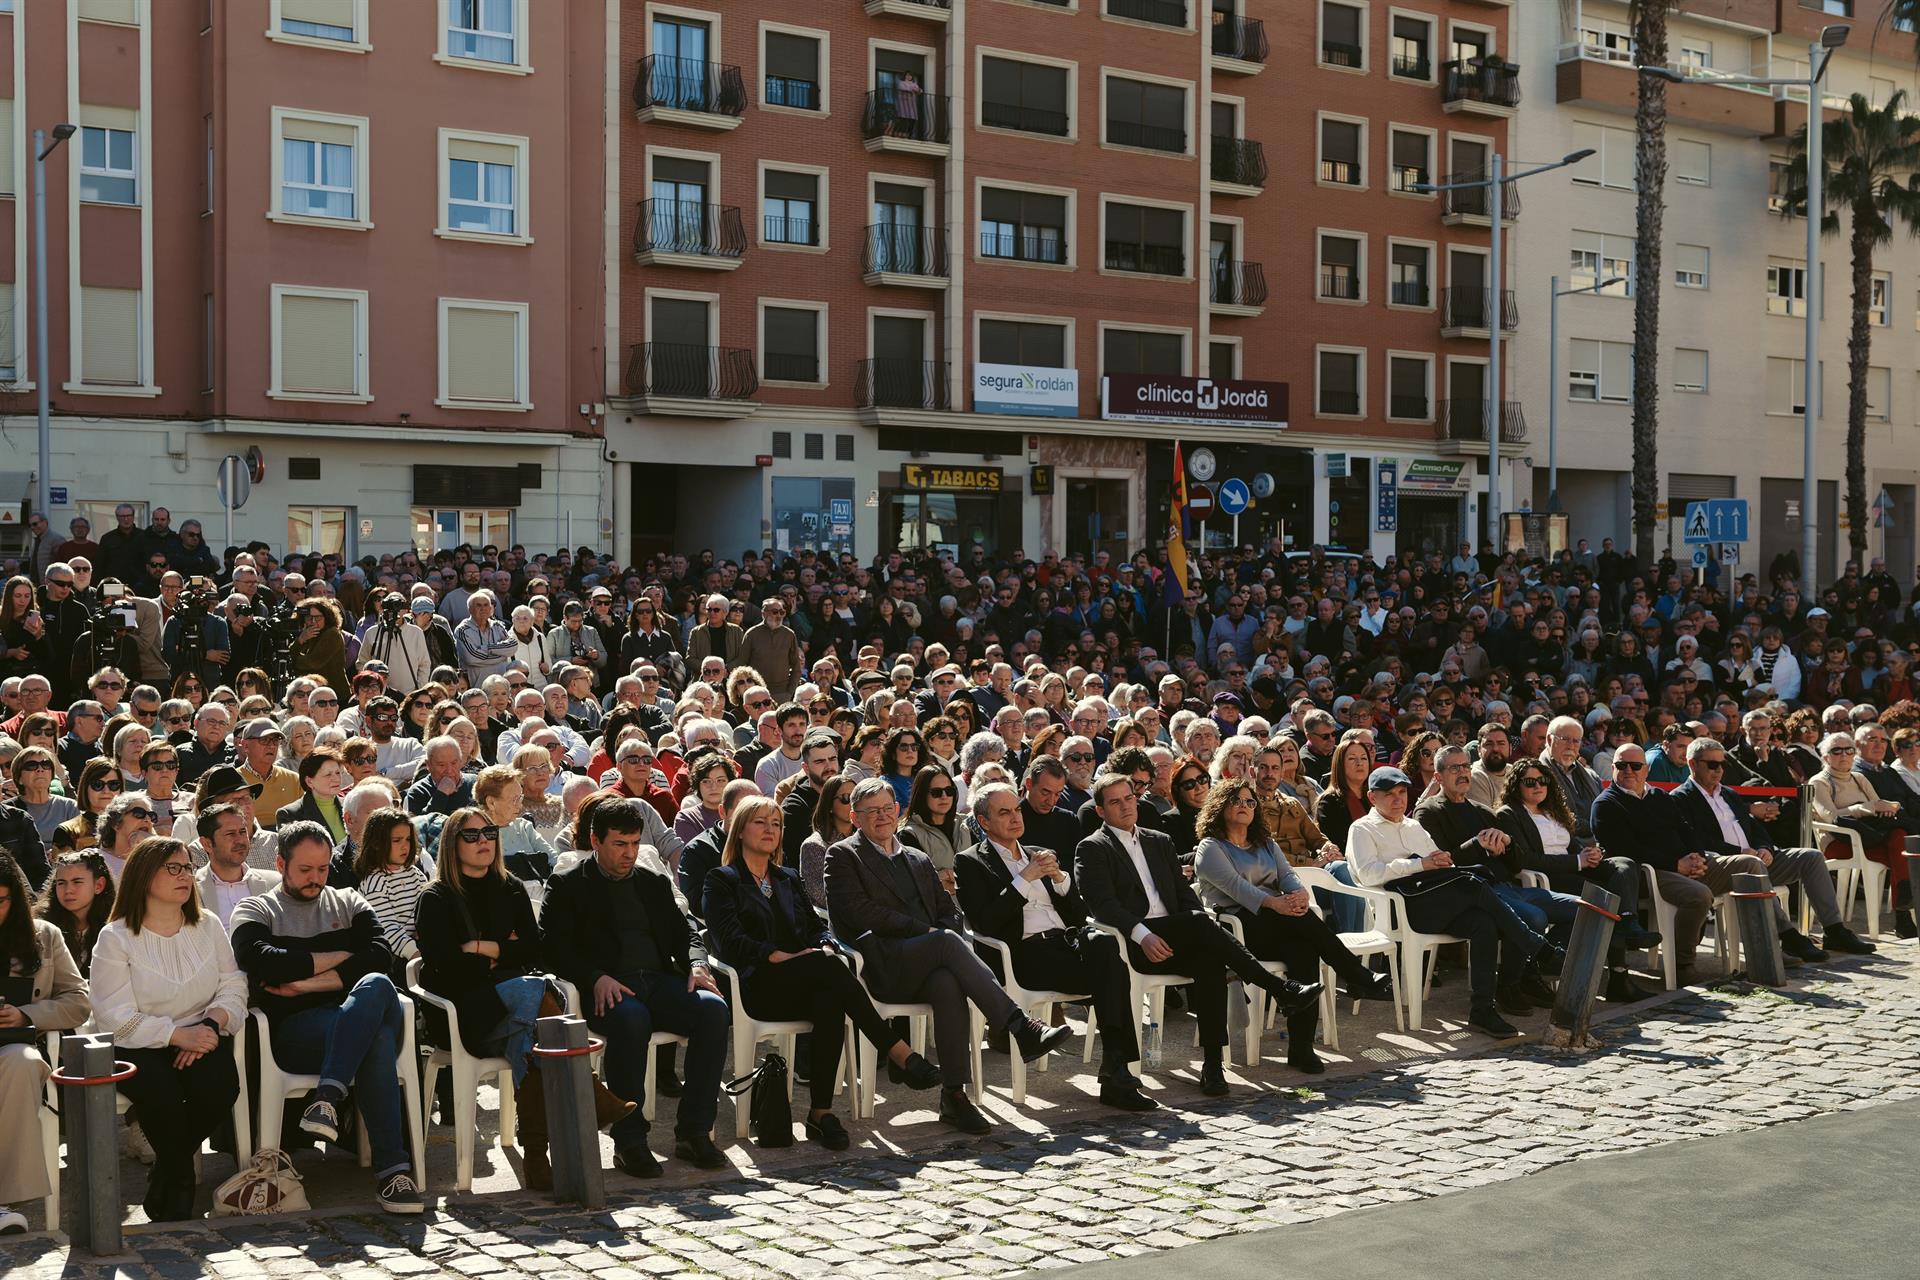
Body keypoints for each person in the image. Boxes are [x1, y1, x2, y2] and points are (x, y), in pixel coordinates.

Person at [826, 777, 1071, 1133]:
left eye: (886, 809)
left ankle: (954, 1097)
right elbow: (858, 912)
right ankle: (1019, 1026)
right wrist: (924, 932)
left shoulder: (916, 857)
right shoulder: (844, 855)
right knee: (945, 942)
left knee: (947, 981)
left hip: (928, 961)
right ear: (854, 816)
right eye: (870, 812)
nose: (881, 817)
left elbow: (949, 911)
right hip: (881, 964)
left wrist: (938, 931)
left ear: (899, 811)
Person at [704, 795, 941, 1148]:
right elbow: (728, 940)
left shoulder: (787, 877)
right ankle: (895, 1050)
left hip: (806, 978)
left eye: (776, 824)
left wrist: (826, 942)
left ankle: (821, 1112)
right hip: (756, 986)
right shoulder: (721, 879)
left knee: (829, 993)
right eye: (760, 822)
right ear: (739, 830)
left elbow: (816, 927)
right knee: (825, 968)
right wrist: (777, 955)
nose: (770, 830)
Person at [416, 807, 627, 1191]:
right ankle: (593, 1092)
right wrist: (502, 955)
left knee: (532, 1041)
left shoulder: (509, 886)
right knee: (540, 992)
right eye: (472, 836)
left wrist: (480, 947)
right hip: (463, 1015)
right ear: (451, 844)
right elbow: (446, 966)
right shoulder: (437, 898)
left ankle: (536, 1157)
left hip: (512, 1011)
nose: (484, 841)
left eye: (490, 833)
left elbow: (534, 951)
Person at [1075, 773, 1322, 1095]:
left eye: (1129, 798)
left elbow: (1184, 896)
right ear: (1100, 811)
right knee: (1196, 923)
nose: (1125, 806)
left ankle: (1212, 1065)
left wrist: (1194, 922)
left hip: (1179, 934)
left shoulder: (1157, 841)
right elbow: (1103, 906)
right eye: (1115, 802)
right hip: (1134, 942)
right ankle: (1279, 988)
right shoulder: (1092, 847)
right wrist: (1142, 934)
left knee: (1209, 960)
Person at [229, 822, 426, 1214]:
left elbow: (381, 955)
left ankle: (328, 1097)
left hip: (342, 1015)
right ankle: (393, 1173)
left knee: (376, 986)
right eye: (305, 870)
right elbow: (261, 962)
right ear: (281, 863)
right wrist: (339, 962)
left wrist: (306, 983)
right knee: (376, 1034)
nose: (316, 879)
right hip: (295, 1035)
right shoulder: (256, 908)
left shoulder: (348, 900)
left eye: (322, 870)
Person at [541, 798, 728, 1177]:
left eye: (634, 844)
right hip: (606, 987)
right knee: (632, 1019)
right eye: (619, 844)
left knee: (713, 1009)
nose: (629, 854)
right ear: (596, 841)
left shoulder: (652, 881)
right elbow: (552, 947)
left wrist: (696, 962)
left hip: (657, 980)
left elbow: (686, 931)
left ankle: (693, 1130)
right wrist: (594, 976)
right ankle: (630, 1140)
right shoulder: (567, 885)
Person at [953, 782, 1156, 1110]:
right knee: (1114, 977)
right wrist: (1024, 879)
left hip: (1068, 948)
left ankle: (1116, 1070)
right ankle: (1117, 1074)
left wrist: (1061, 880)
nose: (1015, 817)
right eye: (1004, 812)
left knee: (1105, 946)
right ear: (984, 821)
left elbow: (1079, 914)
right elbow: (985, 923)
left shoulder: (1038, 852)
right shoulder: (971, 861)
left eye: (1016, 809)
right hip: (1022, 957)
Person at [90, 837, 246, 1221]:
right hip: (135, 1043)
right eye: (172, 868)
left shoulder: (207, 925)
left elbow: (233, 985)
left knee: (221, 1085)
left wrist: (210, 1026)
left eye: (188, 868)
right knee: (162, 1094)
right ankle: (177, 1193)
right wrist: (176, 1036)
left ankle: (166, 1173)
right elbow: (113, 1013)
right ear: (143, 876)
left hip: (202, 1034)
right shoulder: (116, 937)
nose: (185, 876)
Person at [1192, 778, 1394, 1072]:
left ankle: (1302, 1049)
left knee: (1305, 950)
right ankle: (1355, 974)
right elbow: (1238, 889)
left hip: (1278, 922)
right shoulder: (1210, 847)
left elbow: (1288, 876)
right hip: (1237, 927)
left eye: (1250, 801)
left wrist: (1298, 895)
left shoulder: (1265, 843)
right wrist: (1277, 903)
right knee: (1304, 922)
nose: (1244, 806)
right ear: (1220, 806)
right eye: (1236, 801)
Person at [1348, 766, 1558, 1038]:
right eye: (1389, 794)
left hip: (1432, 901)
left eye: (1402, 792)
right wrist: (1417, 864)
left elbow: (1435, 860)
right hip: (1398, 908)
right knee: (1473, 885)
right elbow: (1367, 874)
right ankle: (1534, 945)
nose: (1399, 799)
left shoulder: (1413, 826)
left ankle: (1482, 1009)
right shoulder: (1362, 828)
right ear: (1372, 797)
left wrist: (1439, 861)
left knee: (1483, 923)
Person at [1671, 738, 1874, 957]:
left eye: (1723, 764)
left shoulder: (1728, 794)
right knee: (1750, 863)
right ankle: (1787, 936)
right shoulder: (1681, 798)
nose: (1719, 770)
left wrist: (1764, 847)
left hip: (1754, 858)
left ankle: (1834, 931)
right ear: (1693, 764)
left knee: (1811, 857)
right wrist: (1740, 852)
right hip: (1722, 866)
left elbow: (1754, 828)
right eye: (1712, 765)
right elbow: (1697, 840)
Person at [1592, 744, 1765, 980]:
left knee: (1749, 863)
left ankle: (1770, 947)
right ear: (1612, 768)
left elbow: (1687, 831)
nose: (1628, 771)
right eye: (1622, 765)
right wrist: (1677, 864)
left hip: (1685, 865)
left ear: (1646, 769)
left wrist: (1697, 857)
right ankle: (1682, 965)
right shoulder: (1606, 804)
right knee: (1700, 895)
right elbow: (1625, 850)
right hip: (1651, 873)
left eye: (1635, 766)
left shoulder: (1659, 796)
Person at [0, 852, 90, 1233]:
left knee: (23, 1061)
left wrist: (27, 1015)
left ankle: (3, 1201)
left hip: (12, 1047)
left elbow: (79, 1001)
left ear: (15, 899)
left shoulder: (44, 936)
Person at [346, 808, 435, 968]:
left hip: (421, 947)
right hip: (394, 958)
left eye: (408, 839)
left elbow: (427, 910)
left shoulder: (415, 874)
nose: (404, 846)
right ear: (377, 844)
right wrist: (416, 955)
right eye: (397, 840)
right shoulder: (375, 882)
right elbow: (387, 928)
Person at [192, 803, 277, 925]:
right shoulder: (191, 891)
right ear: (207, 844)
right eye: (230, 834)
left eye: (243, 831)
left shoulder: (274, 883)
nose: (240, 840)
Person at [37, 850, 115, 975]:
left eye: (77, 882)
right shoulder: (41, 928)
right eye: (61, 883)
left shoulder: (115, 927)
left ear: (99, 885)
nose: (68, 890)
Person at [798, 775, 855, 914]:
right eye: (846, 798)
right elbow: (822, 896)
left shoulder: (868, 837)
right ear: (829, 805)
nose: (854, 804)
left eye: (857, 797)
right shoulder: (814, 846)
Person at [276, 748, 353, 845]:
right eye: (328, 774)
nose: (336, 779)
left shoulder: (349, 806)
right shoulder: (290, 815)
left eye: (337, 773)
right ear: (309, 781)